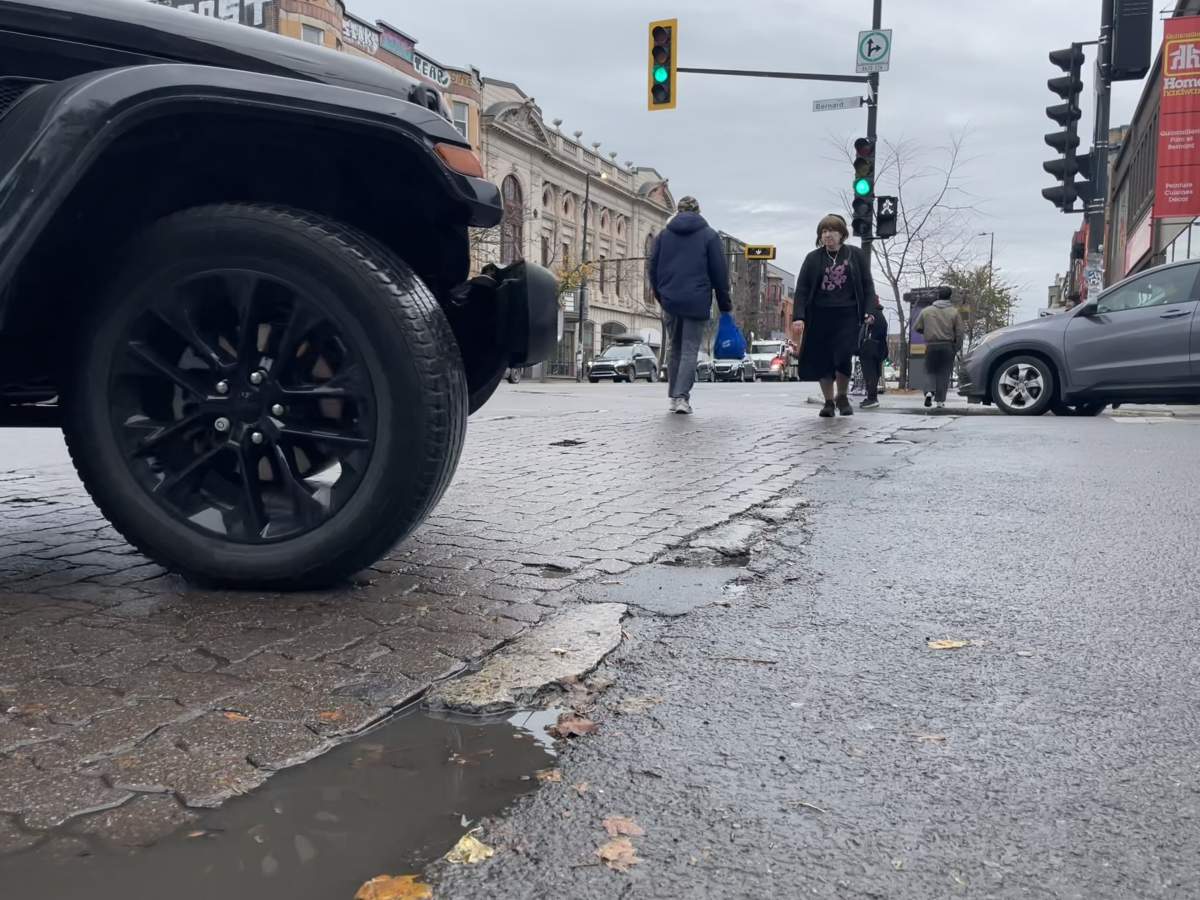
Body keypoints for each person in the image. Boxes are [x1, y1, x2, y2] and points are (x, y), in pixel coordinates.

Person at [649, 196, 733, 415]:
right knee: (688, 350)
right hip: (697, 300)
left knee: (673, 348)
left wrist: (661, 296)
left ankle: (673, 397)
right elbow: (719, 274)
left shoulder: (663, 236)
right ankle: (681, 397)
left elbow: (652, 268)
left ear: (677, 211)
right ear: (698, 211)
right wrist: (724, 304)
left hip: (670, 300)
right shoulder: (709, 236)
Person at [790, 214, 877, 417]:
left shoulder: (855, 255)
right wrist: (798, 317)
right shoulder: (813, 258)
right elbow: (801, 289)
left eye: (832, 231)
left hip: (847, 314)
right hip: (819, 315)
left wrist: (869, 311)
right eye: (824, 231)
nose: (828, 235)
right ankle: (829, 401)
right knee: (823, 360)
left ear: (842, 234)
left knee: (843, 355)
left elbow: (868, 286)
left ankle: (843, 395)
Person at [914, 294, 963, 409]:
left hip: (931, 345)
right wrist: (956, 347)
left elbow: (917, 327)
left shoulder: (926, 311)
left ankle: (929, 392)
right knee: (944, 374)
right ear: (949, 296)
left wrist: (928, 331)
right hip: (947, 346)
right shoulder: (954, 312)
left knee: (929, 370)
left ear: (937, 296)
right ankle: (940, 401)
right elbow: (960, 332)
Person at [858, 299, 889, 409]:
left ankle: (872, 398)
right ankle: (871, 397)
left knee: (870, 374)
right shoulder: (880, 314)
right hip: (878, 348)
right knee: (874, 373)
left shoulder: (872, 313)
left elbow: (867, 321)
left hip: (870, 348)